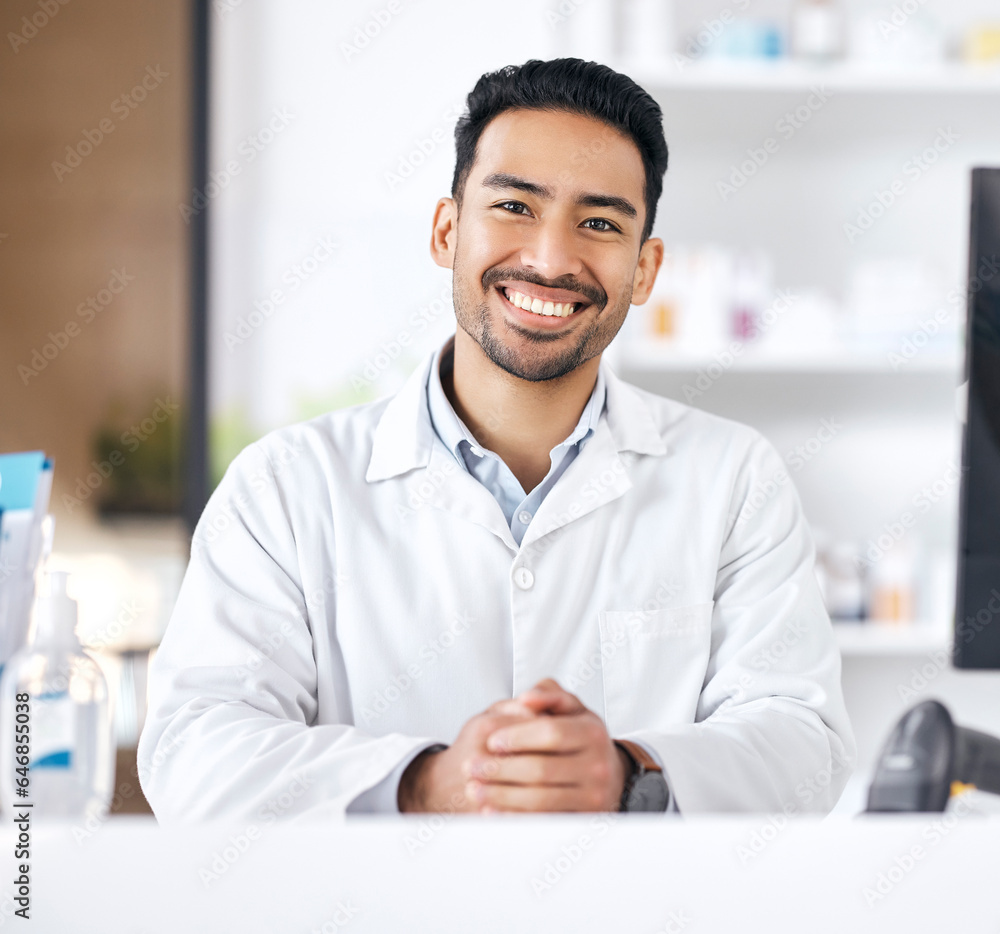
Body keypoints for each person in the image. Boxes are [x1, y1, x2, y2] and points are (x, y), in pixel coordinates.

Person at [138, 58, 855, 821]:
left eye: (601, 223)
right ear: (448, 230)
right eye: (515, 206)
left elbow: (803, 744)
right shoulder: (285, 485)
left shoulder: (734, 478)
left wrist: (628, 771)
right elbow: (195, 751)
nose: (550, 260)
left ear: (645, 269)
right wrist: (425, 784)